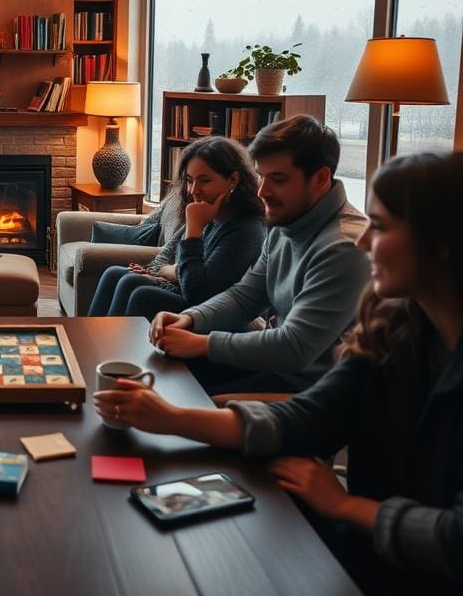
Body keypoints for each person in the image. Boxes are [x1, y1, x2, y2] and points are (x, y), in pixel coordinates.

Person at [95, 152, 463, 594]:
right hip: (364, 539)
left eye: (380, 227)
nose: (365, 242)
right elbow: (313, 416)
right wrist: (169, 417)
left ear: (441, 242)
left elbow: (453, 540)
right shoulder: (394, 329)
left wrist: (344, 506)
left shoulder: (335, 249)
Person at [149, 115, 369, 395]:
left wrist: (202, 343)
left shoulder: (344, 247)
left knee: (175, 394)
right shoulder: (285, 225)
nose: (263, 192)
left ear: (321, 179)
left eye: (277, 179)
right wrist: (191, 319)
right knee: (156, 374)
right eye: (261, 176)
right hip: (277, 370)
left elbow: (295, 348)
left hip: (313, 392)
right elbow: (245, 297)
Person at [87, 136, 265, 318]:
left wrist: (190, 238)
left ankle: (114, 347)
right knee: (114, 273)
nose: (193, 190)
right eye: (189, 180)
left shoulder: (246, 230)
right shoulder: (210, 214)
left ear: (233, 180)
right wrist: (157, 273)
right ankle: (85, 344)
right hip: (188, 292)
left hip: (211, 312)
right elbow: (179, 263)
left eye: (204, 181)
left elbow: (197, 291)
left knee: (139, 292)